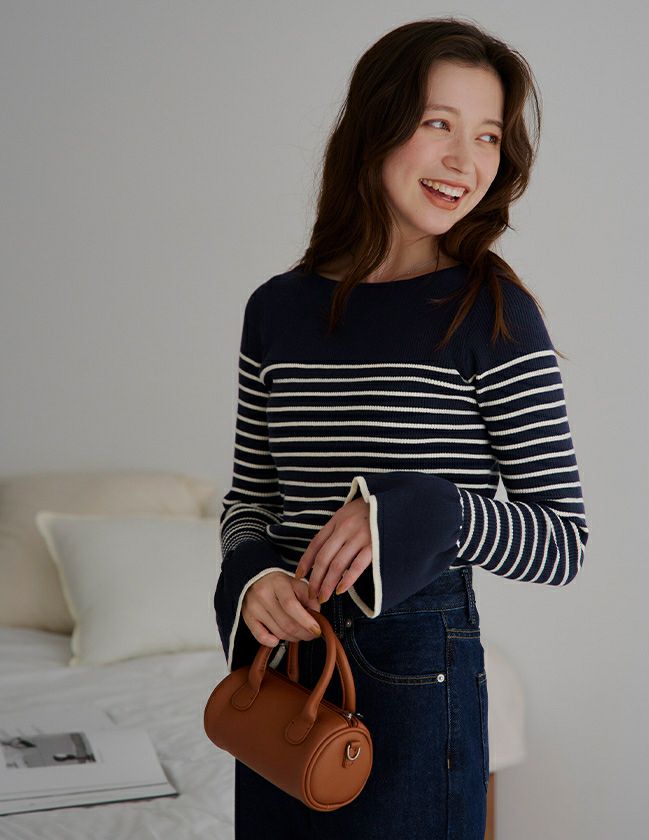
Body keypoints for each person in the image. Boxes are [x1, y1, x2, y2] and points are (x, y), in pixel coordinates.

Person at [214, 16, 589, 840]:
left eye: (487, 136)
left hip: (420, 676)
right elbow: (250, 501)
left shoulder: (492, 313)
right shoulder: (276, 310)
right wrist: (252, 574)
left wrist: (419, 511)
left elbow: (562, 542)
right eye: (437, 124)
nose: (465, 160)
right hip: (286, 671)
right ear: (375, 126)